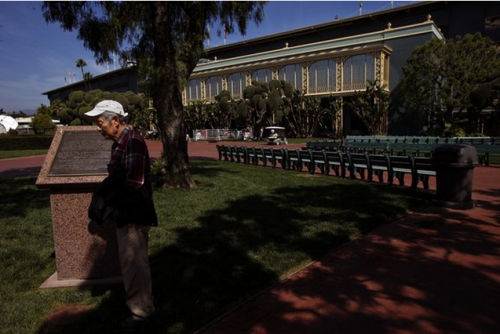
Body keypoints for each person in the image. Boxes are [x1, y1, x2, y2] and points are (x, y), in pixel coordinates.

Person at [85, 100, 158, 329]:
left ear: (115, 120)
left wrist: (108, 198)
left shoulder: (133, 142)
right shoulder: (120, 142)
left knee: (134, 263)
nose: (99, 128)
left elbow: (134, 182)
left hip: (132, 213)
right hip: (125, 212)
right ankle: (139, 306)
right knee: (130, 263)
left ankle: (142, 313)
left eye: (100, 122)